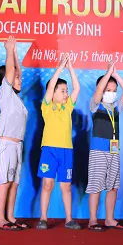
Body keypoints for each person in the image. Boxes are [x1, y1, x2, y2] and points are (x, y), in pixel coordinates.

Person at [36, 54, 81, 230]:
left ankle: (69, 219)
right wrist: (60, 67)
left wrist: (70, 68)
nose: (66, 93)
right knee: (47, 185)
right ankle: (43, 218)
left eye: (66, 91)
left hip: (66, 151)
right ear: (53, 92)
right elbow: (49, 88)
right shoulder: (46, 106)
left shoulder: (68, 106)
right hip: (49, 150)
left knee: (66, 186)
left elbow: (77, 88)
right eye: (62, 90)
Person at [86, 61, 123, 231]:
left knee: (113, 186)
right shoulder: (95, 105)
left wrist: (115, 74)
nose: (111, 93)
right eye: (108, 90)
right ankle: (93, 220)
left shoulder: (116, 108)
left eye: (114, 91)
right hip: (98, 151)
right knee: (96, 186)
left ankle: (110, 219)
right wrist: (107, 74)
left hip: (114, 151)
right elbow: (99, 91)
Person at [0, 36, 29, 230]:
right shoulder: (4, 93)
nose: (20, 79)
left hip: (17, 145)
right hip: (5, 144)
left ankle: (10, 217)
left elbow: (16, 71)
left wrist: (15, 52)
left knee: (14, 183)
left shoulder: (17, 99)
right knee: (4, 183)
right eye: (16, 77)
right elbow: (10, 72)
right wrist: (9, 51)